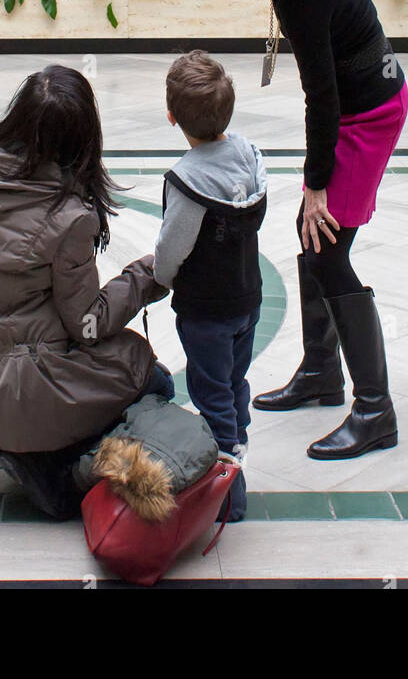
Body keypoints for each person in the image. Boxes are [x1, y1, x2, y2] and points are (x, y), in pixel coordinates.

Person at [119, 0, 408, 461]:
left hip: (367, 115)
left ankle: (376, 410)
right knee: (314, 241)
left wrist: (315, 187)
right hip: (360, 102)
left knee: (327, 242)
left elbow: (325, 101)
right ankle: (318, 375)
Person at [0, 65, 169, 518]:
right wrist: (148, 276)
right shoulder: (68, 215)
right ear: (82, 138)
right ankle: (41, 465)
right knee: (149, 375)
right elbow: (87, 324)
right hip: (22, 390)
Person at [153, 51, 267, 521]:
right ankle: (238, 433)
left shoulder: (188, 181)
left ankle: (227, 497)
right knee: (234, 382)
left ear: (172, 117)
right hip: (248, 299)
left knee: (210, 393)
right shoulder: (249, 157)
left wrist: (161, 278)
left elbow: (172, 249)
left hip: (206, 315)